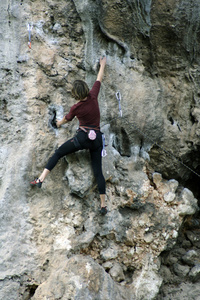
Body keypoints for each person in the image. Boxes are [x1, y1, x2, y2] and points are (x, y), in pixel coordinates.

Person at [30, 56, 107, 215]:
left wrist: (56, 123)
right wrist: (102, 65)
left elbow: (65, 120)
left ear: (76, 95)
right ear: (86, 89)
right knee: (98, 171)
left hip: (82, 138)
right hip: (97, 139)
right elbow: (99, 79)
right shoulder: (93, 95)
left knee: (59, 152)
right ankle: (103, 205)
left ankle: (41, 179)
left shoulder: (76, 107)